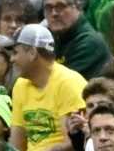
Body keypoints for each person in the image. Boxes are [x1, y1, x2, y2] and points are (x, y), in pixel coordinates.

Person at [10, 23, 87, 151]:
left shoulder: (68, 82)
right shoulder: (20, 85)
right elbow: (16, 144)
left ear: (32, 53)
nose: (12, 59)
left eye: (15, 52)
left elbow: (75, 143)